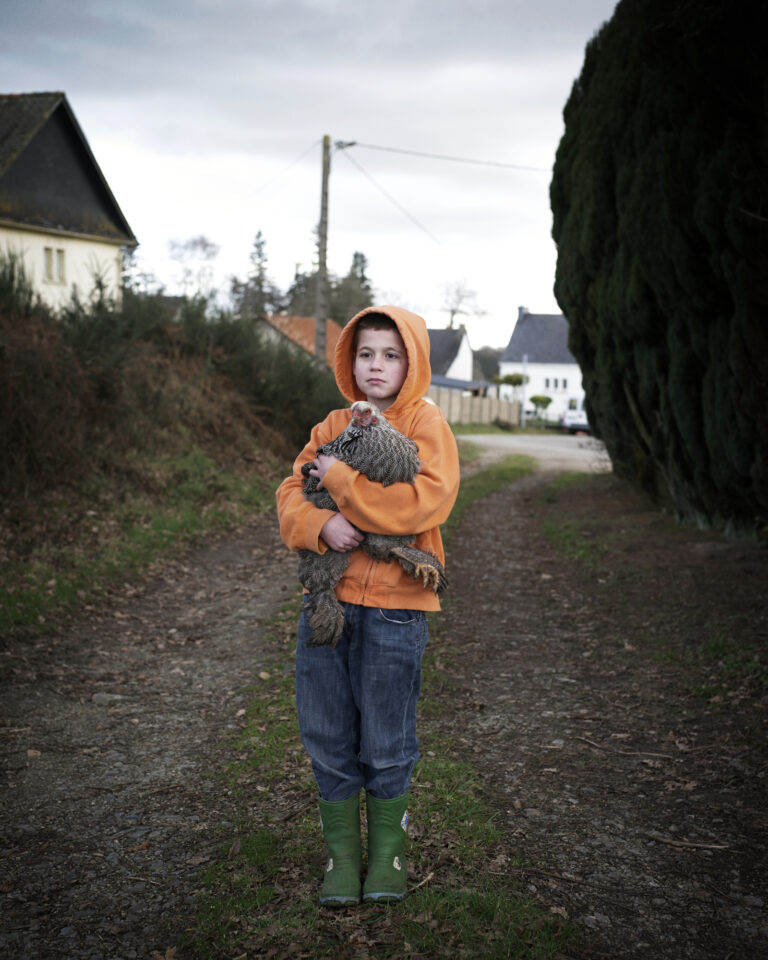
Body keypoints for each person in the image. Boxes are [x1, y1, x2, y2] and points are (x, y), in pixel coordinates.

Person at [276, 305, 459, 907]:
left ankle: (387, 855)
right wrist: (320, 525)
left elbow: (421, 502)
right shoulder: (332, 423)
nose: (375, 365)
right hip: (325, 606)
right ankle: (342, 857)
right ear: (348, 361)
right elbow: (291, 490)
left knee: (385, 737)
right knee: (327, 731)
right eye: (364, 353)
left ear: (413, 362)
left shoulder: (425, 424)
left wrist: (345, 486)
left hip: (395, 610)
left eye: (390, 354)